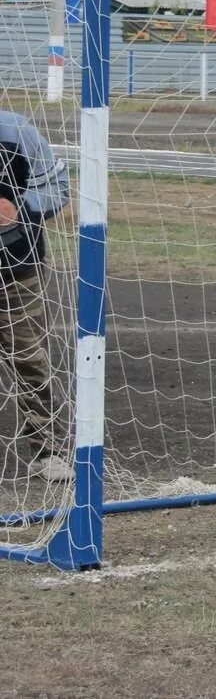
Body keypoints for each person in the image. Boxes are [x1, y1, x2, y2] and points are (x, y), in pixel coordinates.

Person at [0, 110, 72, 483]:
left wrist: (21, 208)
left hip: (17, 271)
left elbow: (58, 187)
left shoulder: (15, 130)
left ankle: (50, 451)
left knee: (28, 359)